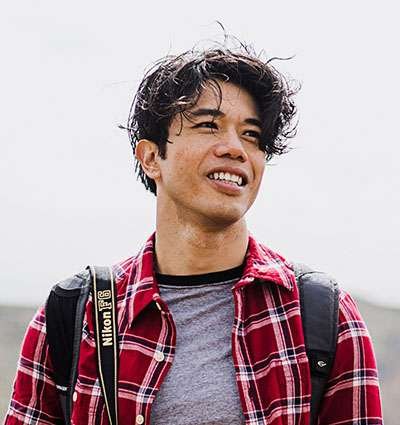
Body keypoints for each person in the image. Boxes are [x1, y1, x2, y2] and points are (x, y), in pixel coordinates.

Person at [5, 37, 383, 425]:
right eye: (208, 125)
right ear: (151, 157)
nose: (235, 148)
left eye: (251, 134)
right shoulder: (73, 314)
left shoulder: (321, 314)